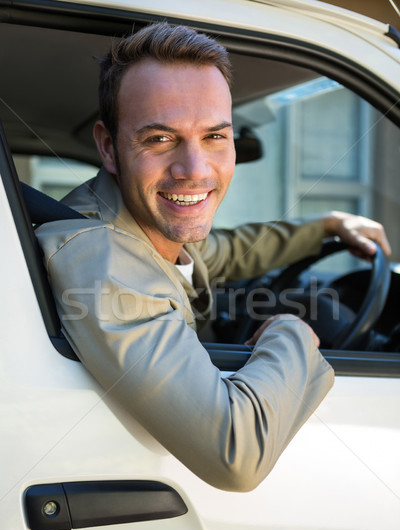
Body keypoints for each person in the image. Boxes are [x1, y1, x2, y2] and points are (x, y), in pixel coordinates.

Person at [36, 22, 391, 491]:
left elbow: (223, 252)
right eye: (159, 139)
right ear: (108, 146)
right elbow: (237, 452)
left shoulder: (136, 221)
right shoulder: (105, 264)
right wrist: (290, 331)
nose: (194, 170)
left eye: (214, 137)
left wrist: (323, 226)